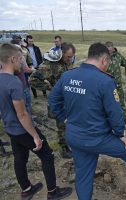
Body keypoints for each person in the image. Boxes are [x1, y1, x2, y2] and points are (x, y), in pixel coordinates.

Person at [48, 42, 126, 200]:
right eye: (108, 62)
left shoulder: (68, 75)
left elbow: (53, 101)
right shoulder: (105, 81)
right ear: (103, 59)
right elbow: (114, 112)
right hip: (97, 137)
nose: (108, 66)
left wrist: (65, 119)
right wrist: (121, 134)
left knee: (83, 173)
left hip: (74, 136)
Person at [0, 43, 72, 200]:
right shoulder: (14, 82)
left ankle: (27, 189)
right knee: (47, 155)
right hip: (23, 129)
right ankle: (53, 192)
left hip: (11, 129)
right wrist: (35, 136)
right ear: (12, 59)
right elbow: (22, 114)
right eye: (20, 59)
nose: (22, 63)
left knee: (19, 158)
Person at [30, 42, 75, 159]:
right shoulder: (49, 65)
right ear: (61, 54)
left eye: (71, 57)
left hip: (69, 101)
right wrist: (50, 88)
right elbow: (33, 79)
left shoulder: (66, 63)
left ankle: (71, 143)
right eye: (68, 57)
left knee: (70, 124)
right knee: (62, 126)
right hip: (59, 103)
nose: (70, 59)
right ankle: (64, 148)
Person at [105, 41, 126, 124]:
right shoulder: (102, 58)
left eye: (110, 51)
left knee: (121, 101)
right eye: (107, 51)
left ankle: (124, 118)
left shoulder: (118, 56)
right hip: (106, 85)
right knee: (108, 102)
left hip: (118, 84)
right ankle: (109, 120)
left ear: (113, 49)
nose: (109, 53)